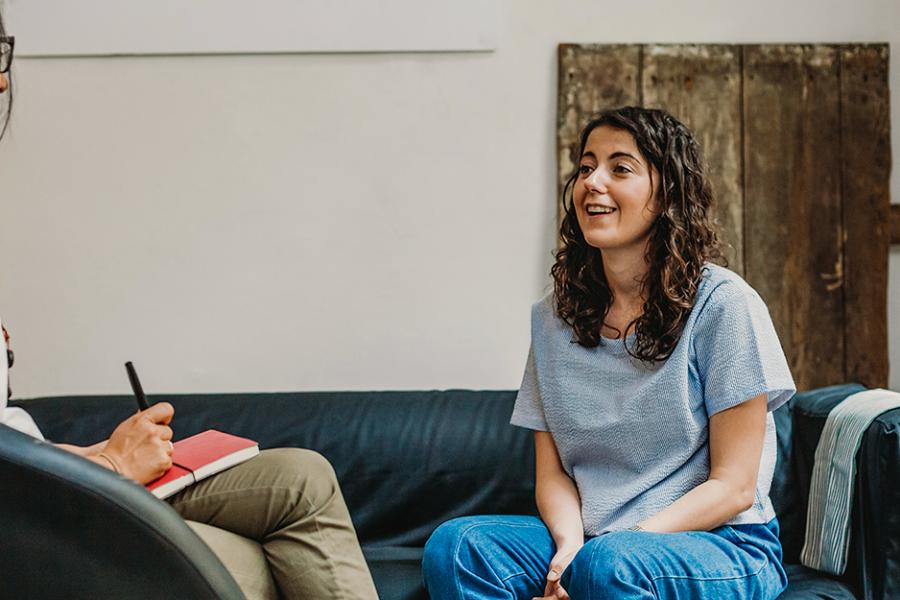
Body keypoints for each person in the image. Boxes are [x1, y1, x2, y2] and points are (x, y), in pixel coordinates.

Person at [0, 14, 377, 600]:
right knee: (248, 566)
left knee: (302, 476)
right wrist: (114, 470)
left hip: (32, 482)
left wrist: (81, 457)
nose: (4, 80)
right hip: (23, 517)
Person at [423, 106, 795, 600]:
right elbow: (553, 474)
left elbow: (734, 487)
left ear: (667, 194)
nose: (592, 182)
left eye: (620, 168)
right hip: (596, 542)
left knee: (609, 567)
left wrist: (612, 550)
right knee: (457, 547)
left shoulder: (724, 304)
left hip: (722, 542)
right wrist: (568, 553)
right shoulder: (553, 318)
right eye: (586, 167)